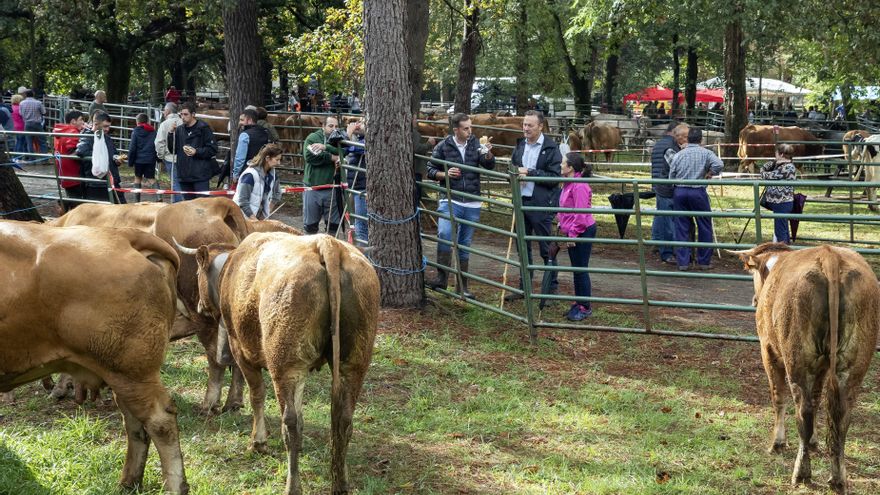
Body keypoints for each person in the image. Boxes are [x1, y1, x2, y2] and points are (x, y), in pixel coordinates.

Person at [426, 112, 496, 299]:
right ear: (456, 129)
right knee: (445, 233)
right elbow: (430, 169)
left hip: (472, 200)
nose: (469, 131)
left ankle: (462, 286)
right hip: (451, 198)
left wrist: (488, 153)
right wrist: (445, 174)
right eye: (466, 128)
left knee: (464, 243)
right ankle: (442, 278)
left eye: (470, 127)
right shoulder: (443, 146)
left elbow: (489, 165)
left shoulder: (475, 144)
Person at [505, 110, 562, 301]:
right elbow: (512, 168)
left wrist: (529, 172)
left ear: (540, 126)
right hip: (520, 202)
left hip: (540, 205)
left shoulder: (551, 148)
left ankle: (551, 289)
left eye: (530, 125)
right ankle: (525, 288)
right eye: (524, 124)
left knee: (546, 248)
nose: (526, 128)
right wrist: (513, 176)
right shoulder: (520, 146)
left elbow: (555, 178)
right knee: (523, 247)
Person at [668, 127, 723, 271]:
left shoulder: (679, 154)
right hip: (698, 191)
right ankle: (703, 261)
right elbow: (719, 164)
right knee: (704, 225)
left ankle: (683, 262)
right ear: (701, 140)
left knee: (681, 226)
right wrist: (710, 173)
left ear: (688, 139)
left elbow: (671, 174)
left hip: (680, 191)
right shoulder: (706, 153)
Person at [557, 152, 597, 321]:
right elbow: (566, 207)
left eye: (562, 163)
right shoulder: (568, 183)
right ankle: (579, 301)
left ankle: (585, 306)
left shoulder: (579, 185)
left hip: (582, 230)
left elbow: (581, 214)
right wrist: (561, 223)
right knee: (576, 269)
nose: (560, 165)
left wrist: (572, 234)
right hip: (573, 230)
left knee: (580, 269)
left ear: (571, 167)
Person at [650, 122, 688, 264]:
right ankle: (666, 252)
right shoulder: (671, 148)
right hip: (667, 188)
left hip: (664, 185)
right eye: (683, 136)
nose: (685, 139)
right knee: (667, 222)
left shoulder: (661, 144)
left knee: (663, 218)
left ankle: (660, 244)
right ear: (676, 134)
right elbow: (678, 167)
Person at [75, 111, 127, 204]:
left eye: (108, 126)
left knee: (122, 211)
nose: (107, 129)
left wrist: (116, 159)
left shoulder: (106, 137)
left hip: (112, 180)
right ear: (96, 124)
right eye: (105, 126)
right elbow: (80, 151)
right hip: (96, 184)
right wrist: (101, 156)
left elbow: (113, 153)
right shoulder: (87, 136)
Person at [302, 116, 342, 234]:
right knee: (310, 225)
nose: (334, 129)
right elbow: (309, 156)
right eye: (330, 126)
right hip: (313, 186)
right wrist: (332, 157)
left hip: (332, 187)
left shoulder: (339, 139)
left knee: (333, 226)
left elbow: (344, 152)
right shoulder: (313, 138)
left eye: (336, 126)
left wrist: (326, 148)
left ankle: (331, 250)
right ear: (323, 126)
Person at [172, 101, 218, 201]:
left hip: (200, 176)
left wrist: (196, 152)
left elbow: (213, 149)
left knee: (203, 205)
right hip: (184, 176)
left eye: (185, 114)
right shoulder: (179, 130)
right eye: (181, 114)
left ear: (193, 114)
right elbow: (173, 150)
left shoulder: (204, 128)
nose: (183, 117)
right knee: (189, 207)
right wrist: (171, 134)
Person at [233, 143, 283, 219]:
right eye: (277, 160)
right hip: (241, 217)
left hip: (257, 218)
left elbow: (277, 193)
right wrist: (254, 220)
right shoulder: (250, 175)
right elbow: (243, 201)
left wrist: (266, 213)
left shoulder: (273, 174)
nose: (279, 163)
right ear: (267, 158)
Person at [760, 144, 797, 244]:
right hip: (780, 202)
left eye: (776, 153)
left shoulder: (788, 168)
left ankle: (783, 252)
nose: (775, 155)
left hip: (782, 202)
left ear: (781, 154)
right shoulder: (783, 165)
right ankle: (786, 250)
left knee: (780, 230)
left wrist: (763, 168)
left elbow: (766, 175)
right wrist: (773, 163)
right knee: (782, 228)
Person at [52, 110, 88, 210]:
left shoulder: (61, 131)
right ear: (73, 121)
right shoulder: (72, 132)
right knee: (77, 200)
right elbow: (74, 152)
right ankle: (64, 204)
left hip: (64, 172)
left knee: (72, 195)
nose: (83, 122)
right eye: (81, 120)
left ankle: (65, 204)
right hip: (73, 173)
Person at [344, 120, 368, 245]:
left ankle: (363, 259)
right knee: (356, 223)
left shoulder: (368, 141)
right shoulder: (360, 139)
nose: (358, 124)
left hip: (363, 189)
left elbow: (350, 148)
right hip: (356, 187)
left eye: (363, 122)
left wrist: (348, 134)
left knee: (361, 226)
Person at [154, 102, 184, 202]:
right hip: (184, 158)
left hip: (170, 158)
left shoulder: (164, 124)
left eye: (164, 111)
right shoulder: (183, 122)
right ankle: (177, 204)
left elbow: (159, 142)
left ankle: (180, 206)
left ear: (167, 111)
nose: (163, 113)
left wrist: (161, 156)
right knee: (182, 183)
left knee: (175, 183)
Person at [232, 108, 270, 182]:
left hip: (247, 172)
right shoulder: (265, 132)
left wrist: (236, 174)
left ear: (250, 120)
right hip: (262, 171)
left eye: (242, 120)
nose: (240, 122)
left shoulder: (245, 135)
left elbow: (240, 158)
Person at [128, 113, 158, 202]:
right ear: (147, 121)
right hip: (150, 159)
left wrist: (130, 161)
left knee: (137, 178)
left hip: (139, 160)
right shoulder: (153, 131)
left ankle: (136, 200)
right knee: (151, 178)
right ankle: (159, 197)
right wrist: (157, 158)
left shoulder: (136, 131)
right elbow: (156, 145)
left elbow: (132, 148)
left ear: (137, 121)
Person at [19, 89, 47, 158]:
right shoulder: (38, 103)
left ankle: (31, 158)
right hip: (37, 124)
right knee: (42, 141)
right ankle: (44, 159)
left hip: (27, 124)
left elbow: (20, 113)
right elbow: (44, 112)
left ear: (25, 95)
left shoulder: (22, 103)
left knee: (29, 142)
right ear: (33, 94)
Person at [10, 94, 27, 161]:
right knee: (21, 142)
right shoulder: (19, 108)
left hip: (15, 126)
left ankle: (15, 156)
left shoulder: (11, 107)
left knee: (18, 142)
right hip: (21, 126)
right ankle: (18, 157)